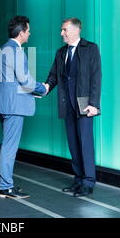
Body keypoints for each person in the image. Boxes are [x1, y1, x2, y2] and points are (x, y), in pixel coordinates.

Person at [44, 18, 101, 197]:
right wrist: (45, 87)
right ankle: (78, 180)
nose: (62, 33)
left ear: (76, 30)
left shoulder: (90, 48)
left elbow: (96, 77)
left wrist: (94, 104)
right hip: (66, 103)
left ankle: (88, 182)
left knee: (85, 142)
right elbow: (54, 76)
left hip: (85, 103)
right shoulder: (61, 52)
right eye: (62, 30)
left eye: (64, 30)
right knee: (73, 144)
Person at [0, 15, 47, 199]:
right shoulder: (15, 51)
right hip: (13, 106)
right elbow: (24, 79)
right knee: (9, 147)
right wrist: (42, 88)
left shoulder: (3, 48)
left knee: (6, 144)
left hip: (3, 103)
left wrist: (31, 91)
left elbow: (10, 81)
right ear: (22, 32)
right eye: (28, 31)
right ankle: (6, 187)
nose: (30, 34)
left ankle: (1, 183)